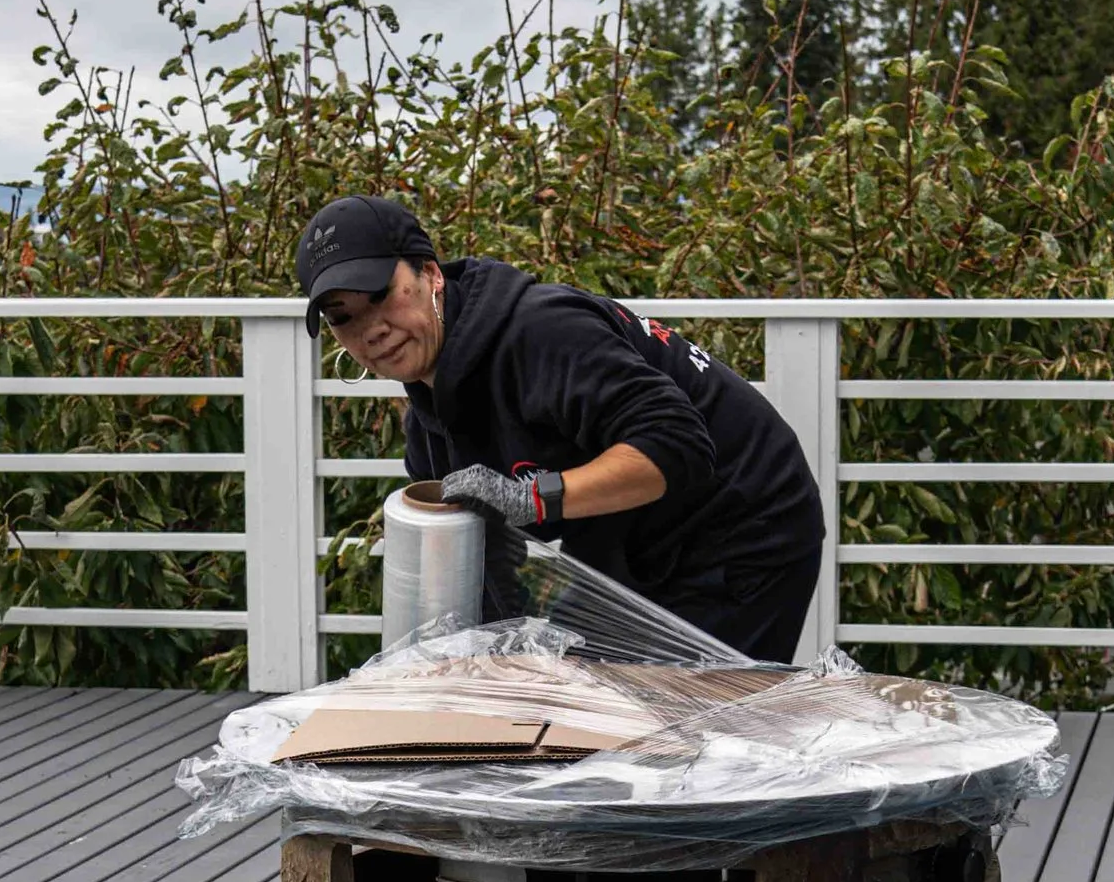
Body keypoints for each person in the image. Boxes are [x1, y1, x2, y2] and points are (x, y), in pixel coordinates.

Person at [294, 194, 826, 661]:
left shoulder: (540, 331)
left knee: (682, 727)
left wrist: (533, 500)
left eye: (382, 294)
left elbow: (675, 447)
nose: (372, 329)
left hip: (745, 521)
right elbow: (482, 565)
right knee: (572, 685)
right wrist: (483, 661)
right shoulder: (433, 426)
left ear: (431, 274)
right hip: (628, 529)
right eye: (343, 317)